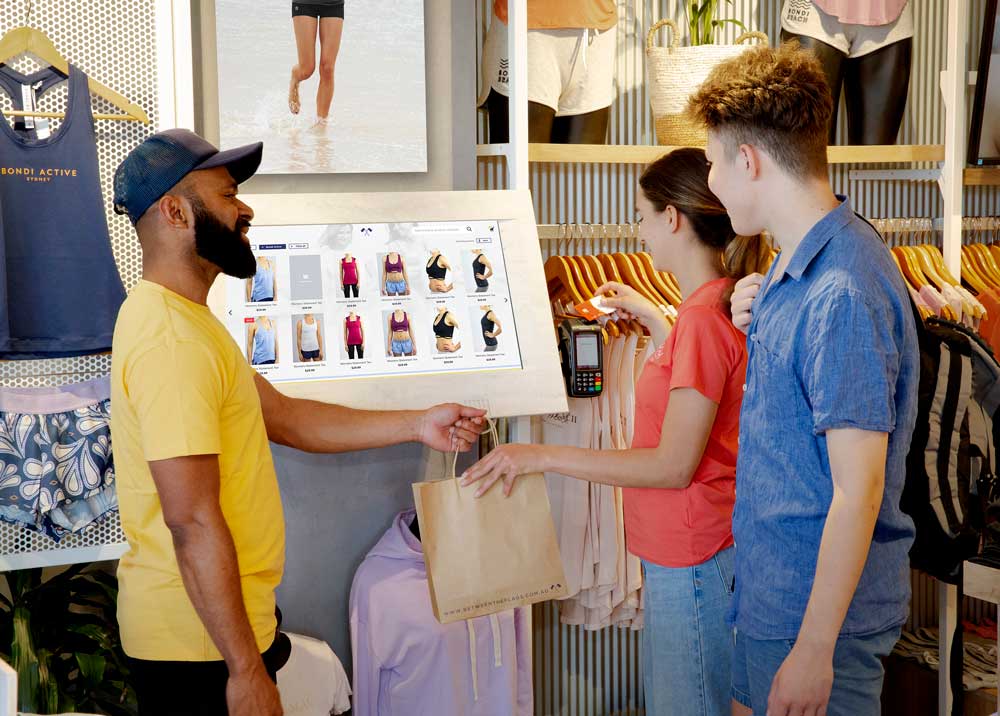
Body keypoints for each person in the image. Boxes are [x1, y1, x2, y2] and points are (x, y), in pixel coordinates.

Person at [109, 129, 485, 716]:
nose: (244, 208)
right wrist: (245, 671)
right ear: (176, 211)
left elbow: (284, 417)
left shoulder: (186, 321)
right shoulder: (170, 341)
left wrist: (419, 423)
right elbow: (191, 521)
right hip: (198, 648)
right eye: (228, 194)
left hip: (211, 632)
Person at [461, 147, 769, 716]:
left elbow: (671, 465)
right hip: (688, 554)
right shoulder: (705, 308)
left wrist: (541, 457)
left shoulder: (703, 320)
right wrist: (652, 317)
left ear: (672, 218)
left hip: (692, 558)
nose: (641, 233)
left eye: (642, 217)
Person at [688, 43, 919, 716]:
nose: (711, 184)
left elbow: (860, 486)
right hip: (775, 602)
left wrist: (815, 648)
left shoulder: (842, 289)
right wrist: (756, 309)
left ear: (749, 161)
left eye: (712, 164)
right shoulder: (799, 265)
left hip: (819, 625)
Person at [288, 1, 345, 130]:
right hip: (305, 2)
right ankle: (295, 77)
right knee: (306, 69)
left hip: (333, 3)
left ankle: (321, 125)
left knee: (327, 67)